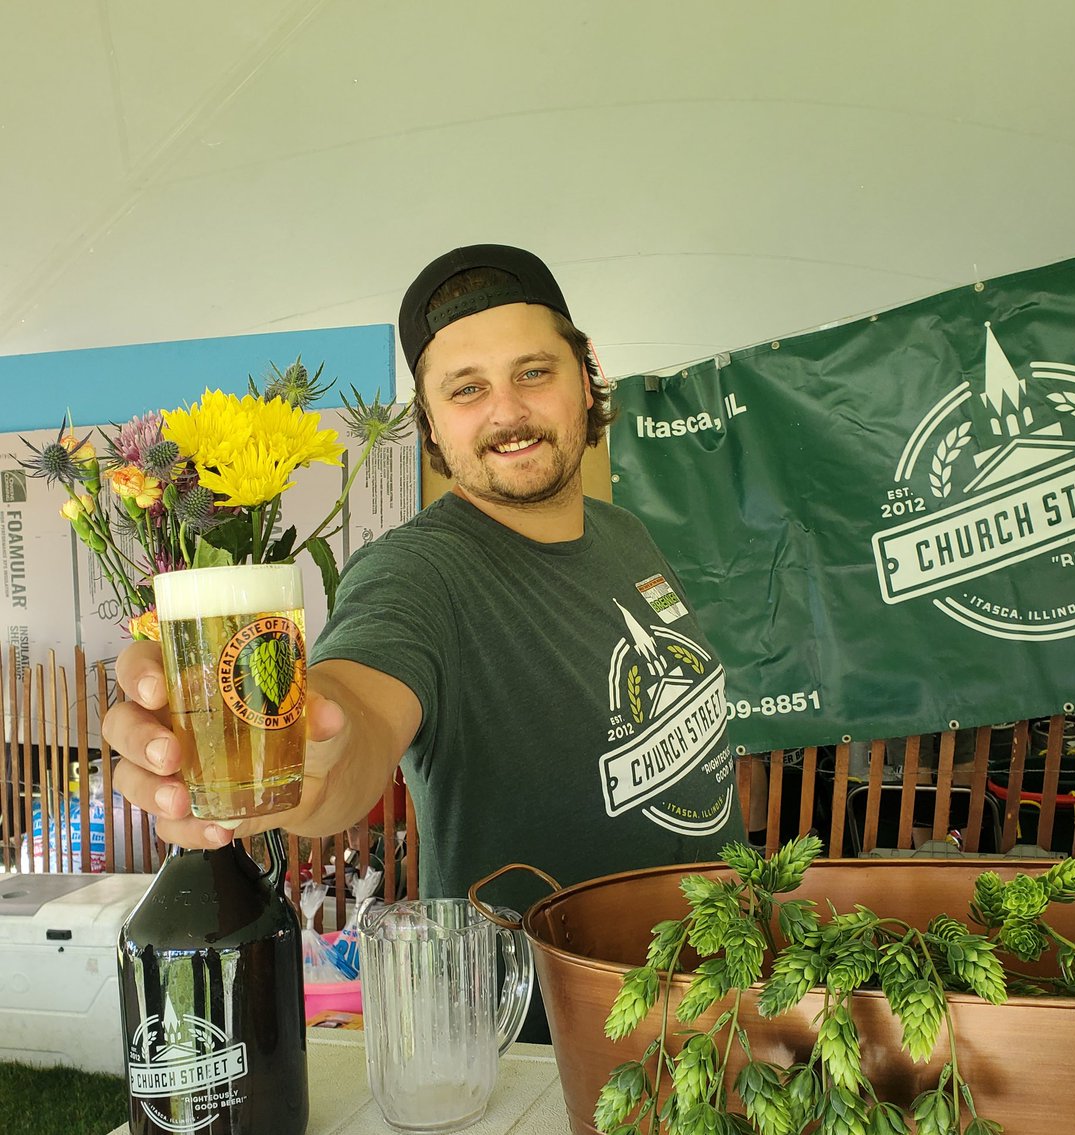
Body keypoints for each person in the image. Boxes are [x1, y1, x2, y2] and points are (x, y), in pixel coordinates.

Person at [103, 245, 746, 1034]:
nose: (506, 411)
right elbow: (354, 716)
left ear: (586, 376)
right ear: (432, 424)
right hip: (546, 1055)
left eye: (533, 372)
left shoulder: (626, 535)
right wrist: (306, 757)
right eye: (467, 390)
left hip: (722, 1004)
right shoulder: (418, 572)